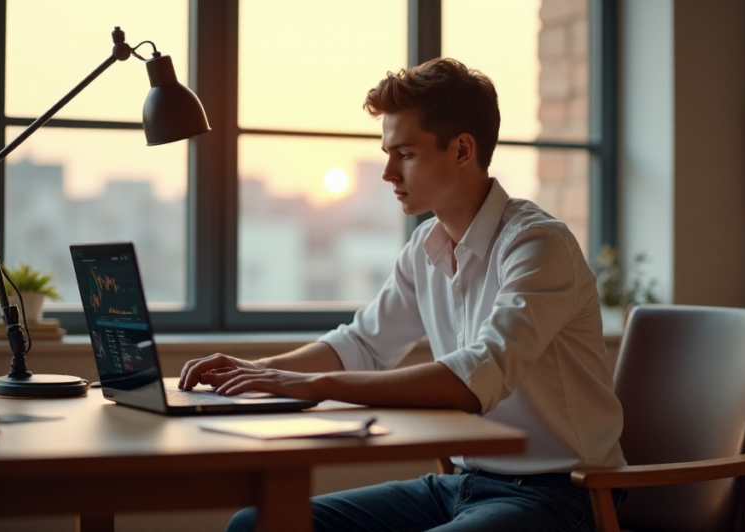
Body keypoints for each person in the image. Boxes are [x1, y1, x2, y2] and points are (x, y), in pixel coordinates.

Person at [179, 57, 625, 532]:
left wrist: (314, 387)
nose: (388, 172)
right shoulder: (424, 247)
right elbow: (364, 345)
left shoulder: (538, 245)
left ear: (461, 150)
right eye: (388, 153)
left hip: (565, 493)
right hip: (462, 484)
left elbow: (474, 381)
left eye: (405, 154)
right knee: (257, 525)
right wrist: (261, 371)